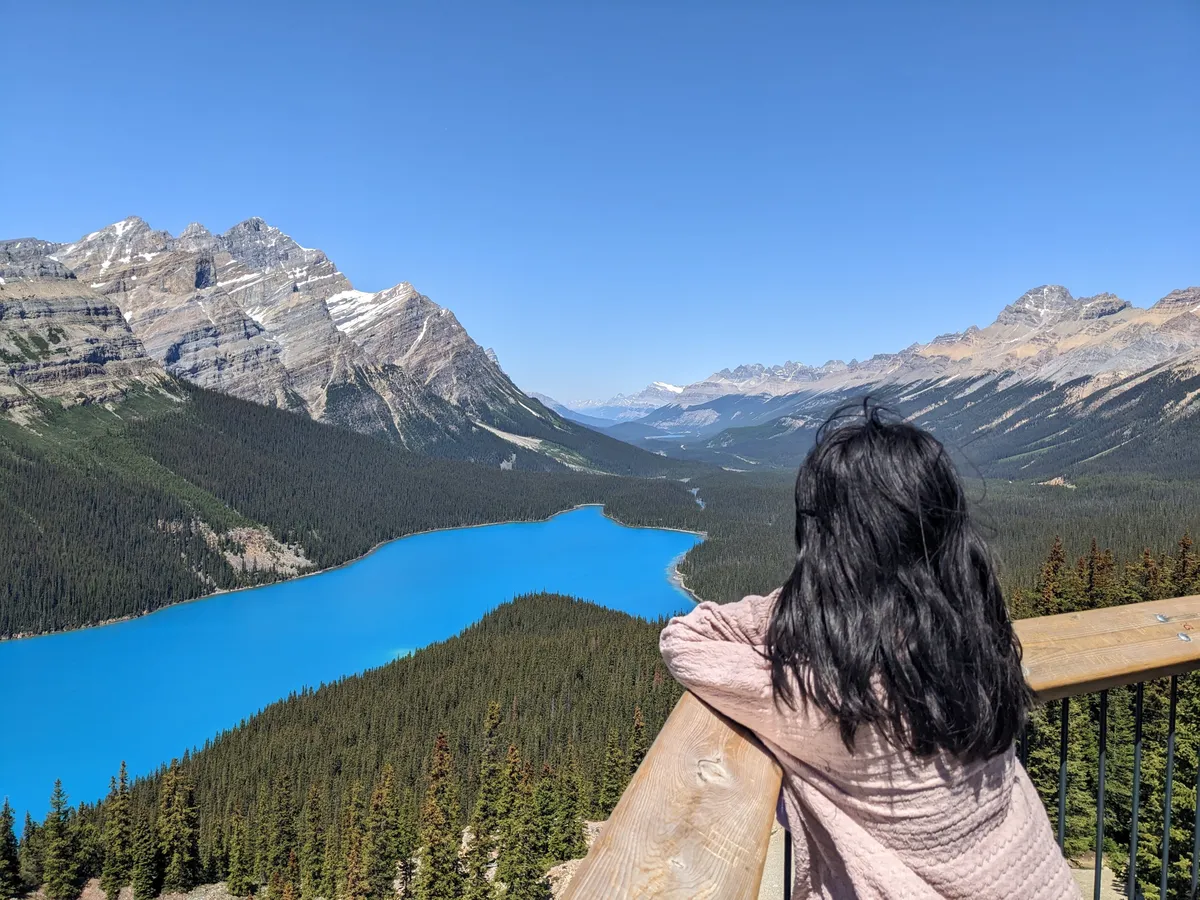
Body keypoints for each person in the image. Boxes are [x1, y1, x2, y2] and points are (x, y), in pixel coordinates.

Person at [660, 402, 1078, 899]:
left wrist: (812, 600)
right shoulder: (977, 644)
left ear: (828, 544)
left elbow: (685, 641)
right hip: (1039, 879)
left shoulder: (831, 694)